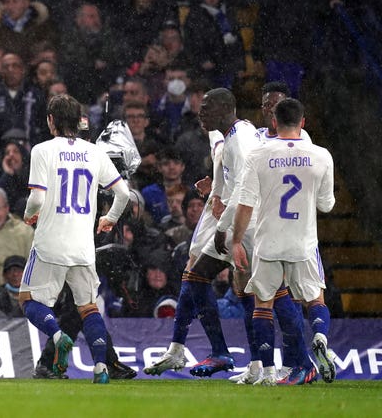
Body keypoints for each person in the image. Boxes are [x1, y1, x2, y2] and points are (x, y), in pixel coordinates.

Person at [144, 88, 258, 378]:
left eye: (206, 108)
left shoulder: (242, 138)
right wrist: (217, 188)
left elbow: (248, 182)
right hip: (224, 210)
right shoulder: (222, 133)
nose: (200, 113)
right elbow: (225, 165)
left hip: (243, 219)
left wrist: (225, 221)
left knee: (263, 294)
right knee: (195, 273)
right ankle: (188, 349)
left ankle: (268, 362)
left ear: (224, 108)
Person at [18, 94, 130, 384]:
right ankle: (101, 368)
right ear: (80, 121)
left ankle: (57, 336)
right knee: (88, 308)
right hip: (83, 245)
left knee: (28, 299)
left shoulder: (42, 150)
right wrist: (110, 219)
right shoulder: (95, 153)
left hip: (50, 243)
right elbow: (124, 194)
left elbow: (37, 197)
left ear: (51, 120)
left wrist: (29, 215)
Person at [231, 98, 336, 385]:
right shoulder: (322, 155)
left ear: (274, 122)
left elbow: (245, 204)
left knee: (262, 306)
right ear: (303, 122)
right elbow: (327, 205)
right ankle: (319, 335)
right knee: (315, 298)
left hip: (268, 244)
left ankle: (266, 372)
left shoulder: (259, 155)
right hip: (303, 243)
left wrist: (237, 240)